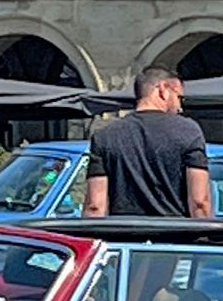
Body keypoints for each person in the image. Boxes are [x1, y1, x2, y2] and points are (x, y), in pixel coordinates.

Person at [84, 65, 212, 218]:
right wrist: (205, 237)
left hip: (123, 237)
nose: (180, 108)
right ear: (163, 90)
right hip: (175, 235)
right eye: (179, 98)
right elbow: (199, 202)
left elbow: (95, 206)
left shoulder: (104, 136)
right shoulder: (189, 131)